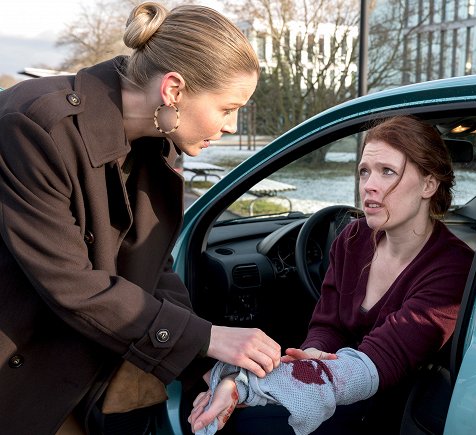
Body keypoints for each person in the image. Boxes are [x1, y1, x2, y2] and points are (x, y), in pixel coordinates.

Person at [0, 2, 282, 434]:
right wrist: (204, 338)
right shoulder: (34, 127)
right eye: (227, 108)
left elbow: (150, 267)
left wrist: (203, 363)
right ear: (173, 90)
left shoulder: (159, 141)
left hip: (77, 375)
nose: (231, 125)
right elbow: (72, 283)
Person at [188, 116, 475, 434]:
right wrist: (310, 354)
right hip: (335, 384)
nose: (369, 185)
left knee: (239, 423)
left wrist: (243, 386)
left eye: (387, 171)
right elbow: (328, 324)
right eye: (364, 171)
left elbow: (379, 361)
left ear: (428, 184)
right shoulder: (354, 237)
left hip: (391, 409)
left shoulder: (452, 267)